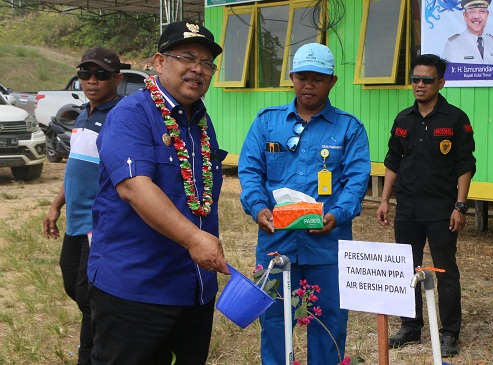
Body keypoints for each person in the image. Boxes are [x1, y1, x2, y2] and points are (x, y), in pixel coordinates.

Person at [87, 21, 228, 365]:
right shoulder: (132, 114)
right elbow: (136, 188)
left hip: (194, 288)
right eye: (187, 57)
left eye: (207, 63)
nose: (198, 69)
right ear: (159, 62)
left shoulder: (201, 123)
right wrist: (195, 239)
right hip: (137, 288)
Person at [238, 42, 371, 365]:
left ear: (332, 82)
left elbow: (356, 182)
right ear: (291, 78)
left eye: (318, 78)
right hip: (274, 242)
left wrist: (337, 215)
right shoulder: (268, 123)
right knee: (272, 318)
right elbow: (250, 170)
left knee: (328, 321)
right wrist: (258, 207)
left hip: (327, 247)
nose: (308, 84)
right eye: (302, 77)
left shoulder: (349, 128)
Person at [376, 54, 476, 357]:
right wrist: (384, 199)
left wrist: (460, 206)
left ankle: (449, 333)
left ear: (441, 82)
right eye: (416, 79)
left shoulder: (456, 119)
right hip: (407, 208)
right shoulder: (403, 119)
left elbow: (465, 165)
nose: (420, 85)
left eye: (427, 80)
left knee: (445, 270)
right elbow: (393, 161)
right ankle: (410, 327)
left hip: (441, 209)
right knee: (406, 267)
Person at [42, 47, 124, 365]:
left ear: (117, 78)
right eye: (85, 74)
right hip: (76, 221)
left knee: (91, 295)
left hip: (99, 224)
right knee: (73, 284)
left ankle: (93, 354)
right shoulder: (82, 114)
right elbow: (76, 167)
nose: (92, 81)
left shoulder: (120, 117)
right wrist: (55, 205)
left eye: (101, 74)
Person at [442, 0, 493, 64]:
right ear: (465, 15)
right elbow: (448, 72)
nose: (476, 17)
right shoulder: (453, 44)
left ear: (487, 14)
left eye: (482, 11)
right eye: (472, 11)